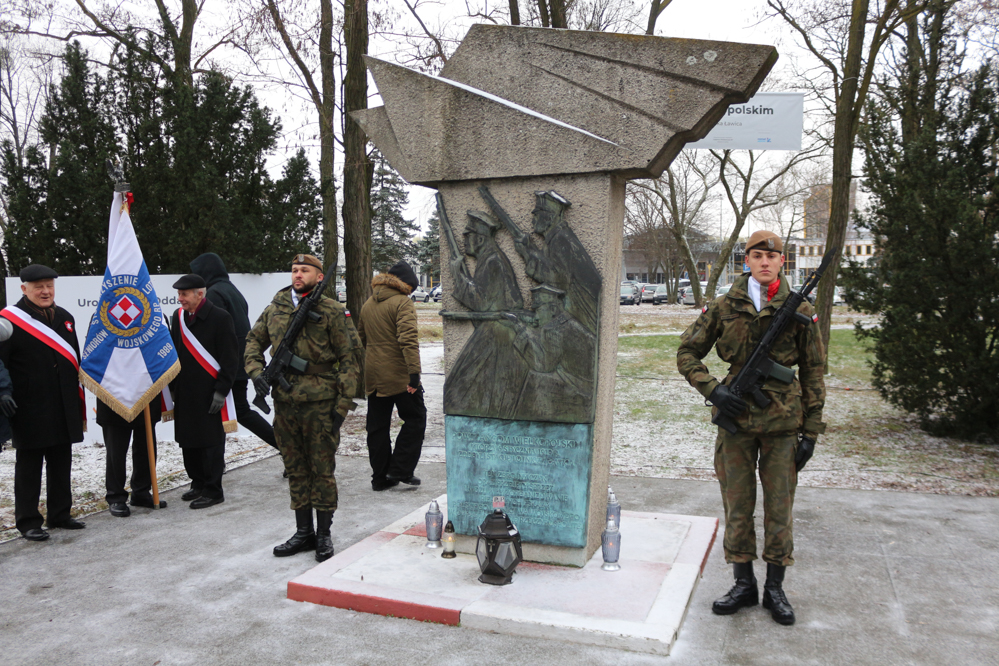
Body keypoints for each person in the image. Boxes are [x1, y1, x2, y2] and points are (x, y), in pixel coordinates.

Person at [676, 230, 826, 626]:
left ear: (782, 262)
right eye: (756, 255)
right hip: (736, 422)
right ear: (748, 261)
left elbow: (813, 371)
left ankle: (775, 586)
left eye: (771, 256)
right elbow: (687, 352)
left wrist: (810, 432)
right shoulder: (724, 306)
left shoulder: (801, 309)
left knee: (780, 510)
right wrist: (713, 390)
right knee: (738, 506)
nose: (764, 261)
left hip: (782, 424)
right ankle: (743, 583)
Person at [245, 254, 361, 562]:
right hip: (285, 404)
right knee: (295, 469)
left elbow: (351, 358)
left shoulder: (333, 311)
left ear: (319, 277)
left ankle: (323, 534)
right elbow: (252, 343)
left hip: (321, 404)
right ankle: (303, 532)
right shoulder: (275, 308)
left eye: (305, 270)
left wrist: (343, 405)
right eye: (294, 270)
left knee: (321, 471)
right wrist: (257, 373)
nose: (298, 274)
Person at [0, 265, 87, 541]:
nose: (45, 291)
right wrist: (3, 393)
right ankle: (28, 522)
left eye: (49, 285)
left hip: (62, 402)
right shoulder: (8, 321)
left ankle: (60, 514)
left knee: (61, 460)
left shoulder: (65, 318)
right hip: (28, 406)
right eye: (38, 286)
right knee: (30, 464)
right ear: (24, 288)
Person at [444, 211, 530, 420]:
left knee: (459, 387)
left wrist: (458, 275)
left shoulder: (492, 261)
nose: (464, 240)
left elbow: (482, 304)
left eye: (467, 235)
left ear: (480, 238)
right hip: (493, 331)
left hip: (496, 334)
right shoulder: (490, 258)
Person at [190, 252, 278, 450]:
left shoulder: (213, 294)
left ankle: (289, 451)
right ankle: (288, 451)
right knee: (237, 411)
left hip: (225, 367)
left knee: (234, 412)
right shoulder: (231, 290)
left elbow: (215, 335)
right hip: (238, 363)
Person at [169, 273, 239, 510]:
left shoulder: (220, 317)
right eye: (178, 294)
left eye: (184, 294)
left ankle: (213, 489)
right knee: (188, 441)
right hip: (184, 391)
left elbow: (230, 358)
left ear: (200, 294)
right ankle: (197, 482)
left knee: (210, 443)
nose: (180, 299)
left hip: (210, 393)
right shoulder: (177, 318)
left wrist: (221, 390)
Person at [357, 260, 426, 491]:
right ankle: (401, 469)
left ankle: (380, 478)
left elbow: (361, 340)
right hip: (399, 375)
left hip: (374, 376)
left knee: (377, 427)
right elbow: (408, 340)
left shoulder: (368, 303)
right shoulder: (402, 303)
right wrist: (414, 375)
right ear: (406, 285)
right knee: (416, 418)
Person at [97, 398, 162, 517]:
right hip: (114, 398)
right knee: (116, 451)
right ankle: (116, 497)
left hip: (145, 396)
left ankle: (141, 492)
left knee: (146, 447)